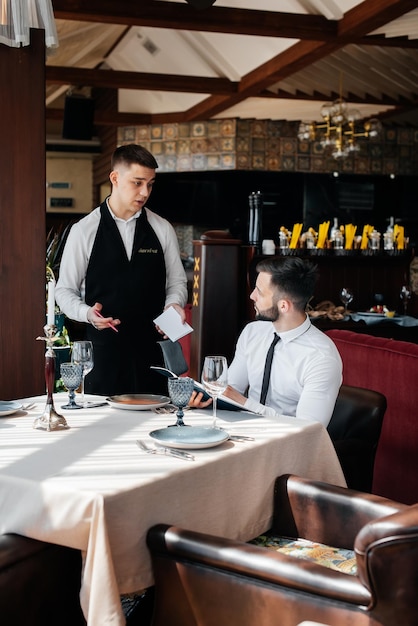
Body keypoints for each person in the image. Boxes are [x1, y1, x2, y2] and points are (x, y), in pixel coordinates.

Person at [56, 143, 188, 396]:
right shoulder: (84, 230)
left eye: (150, 184)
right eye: (137, 183)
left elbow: (176, 283)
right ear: (115, 178)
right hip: (103, 356)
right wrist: (87, 314)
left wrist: (173, 304)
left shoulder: (162, 229)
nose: (145, 192)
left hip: (154, 354)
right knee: (102, 431)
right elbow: (64, 291)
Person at [192, 256, 342, 427]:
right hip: (242, 432)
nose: (252, 296)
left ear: (283, 306)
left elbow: (308, 430)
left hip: (288, 447)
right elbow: (230, 390)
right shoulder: (253, 332)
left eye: (259, 292)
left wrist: (247, 404)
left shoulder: (320, 357)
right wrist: (206, 399)